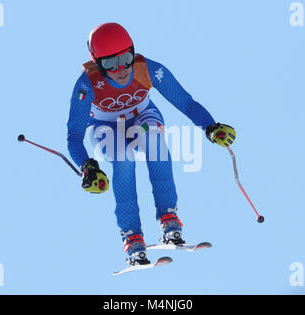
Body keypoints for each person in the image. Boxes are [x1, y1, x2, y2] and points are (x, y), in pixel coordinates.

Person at [67, 23, 236, 265]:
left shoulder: (147, 69)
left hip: (142, 116)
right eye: (110, 64)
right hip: (104, 127)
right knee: (123, 158)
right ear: (97, 62)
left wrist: (210, 126)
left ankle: (169, 219)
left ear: (133, 52)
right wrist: (88, 167)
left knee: (154, 142)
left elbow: (186, 103)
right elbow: (74, 134)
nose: (121, 69)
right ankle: (131, 236)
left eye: (125, 59)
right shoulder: (87, 84)